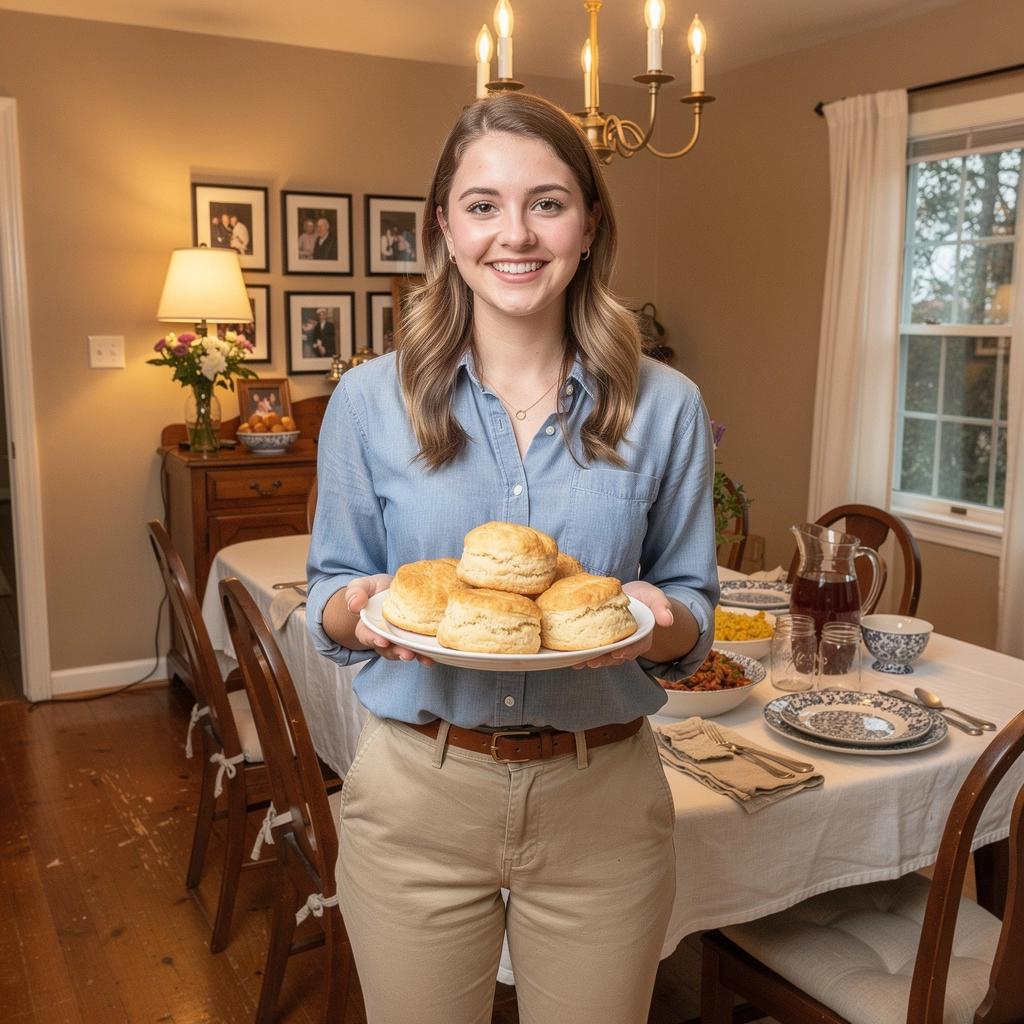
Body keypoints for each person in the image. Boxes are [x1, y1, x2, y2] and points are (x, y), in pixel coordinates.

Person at [307, 92, 718, 1024]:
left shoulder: (668, 406)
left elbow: (690, 605)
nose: (515, 234)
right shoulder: (369, 403)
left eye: (548, 201)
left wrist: (657, 622)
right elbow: (330, 592)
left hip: (603, 803)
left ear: (589, 222)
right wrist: (362, 605)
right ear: (445, 228)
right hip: (416, 791)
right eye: (484, 204)